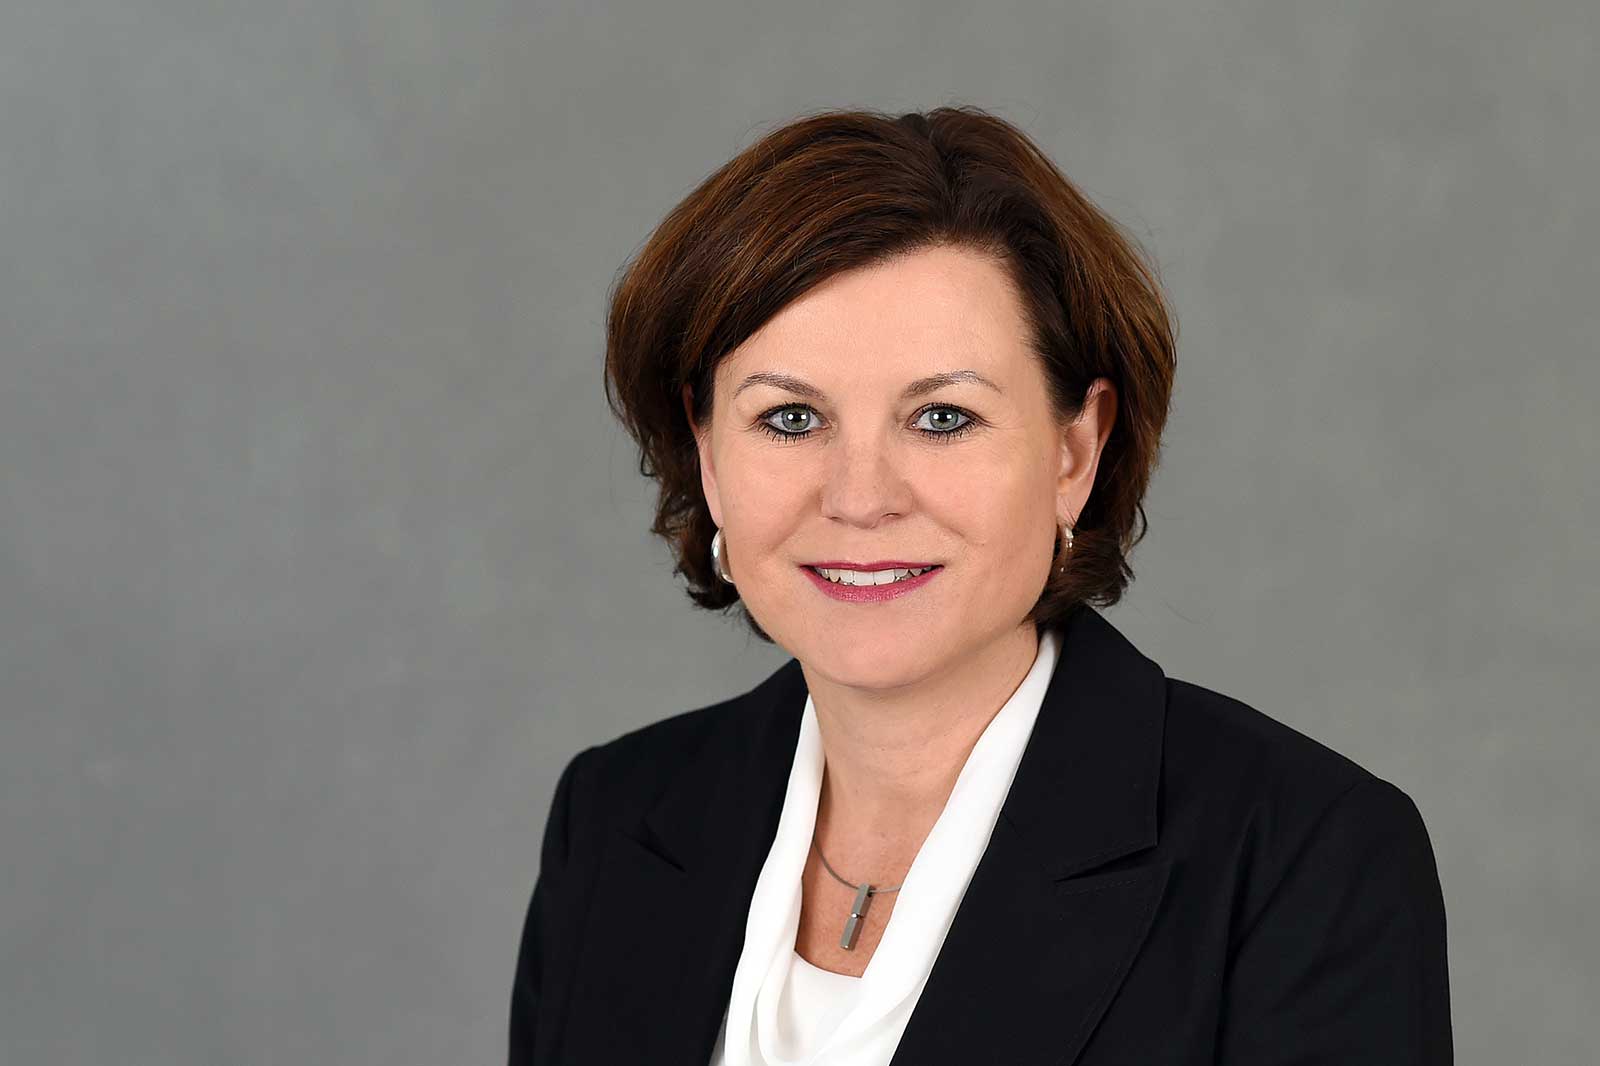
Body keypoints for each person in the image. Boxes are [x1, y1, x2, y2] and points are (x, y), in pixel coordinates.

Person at [509, 106, 1452, 1065]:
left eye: (944, 418)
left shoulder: (1304, 860)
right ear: (707, 450)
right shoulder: (615, 817)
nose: (861, 498)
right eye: (790, 419)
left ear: (1075, 451)